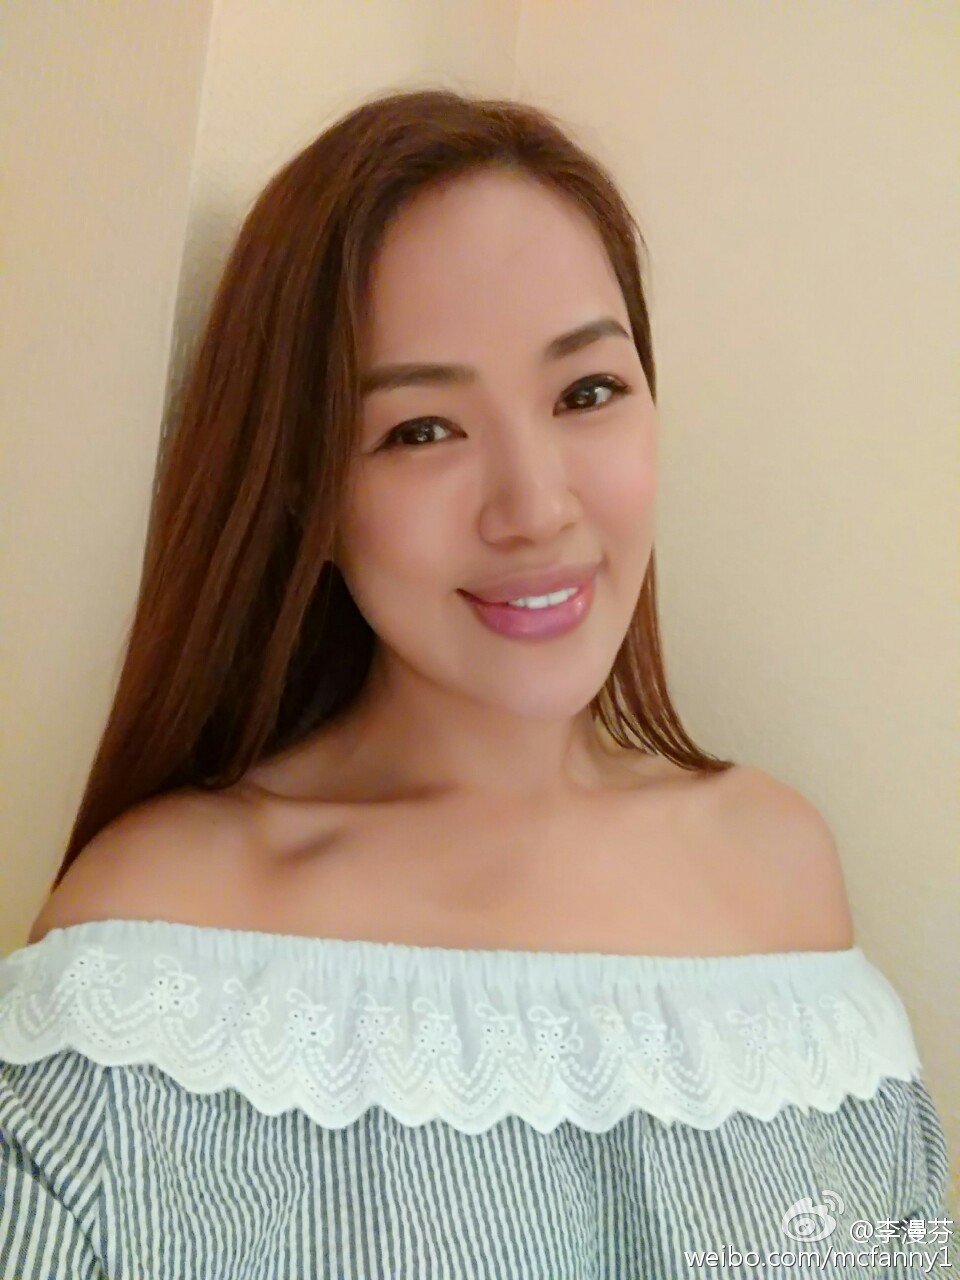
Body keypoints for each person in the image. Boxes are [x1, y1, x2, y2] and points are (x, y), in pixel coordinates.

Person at [0, 87, 953, 1279]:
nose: (536, 507)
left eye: (587, 392)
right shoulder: (160, 947)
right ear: (304, 487)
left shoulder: (780, 869)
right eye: (421, 430)